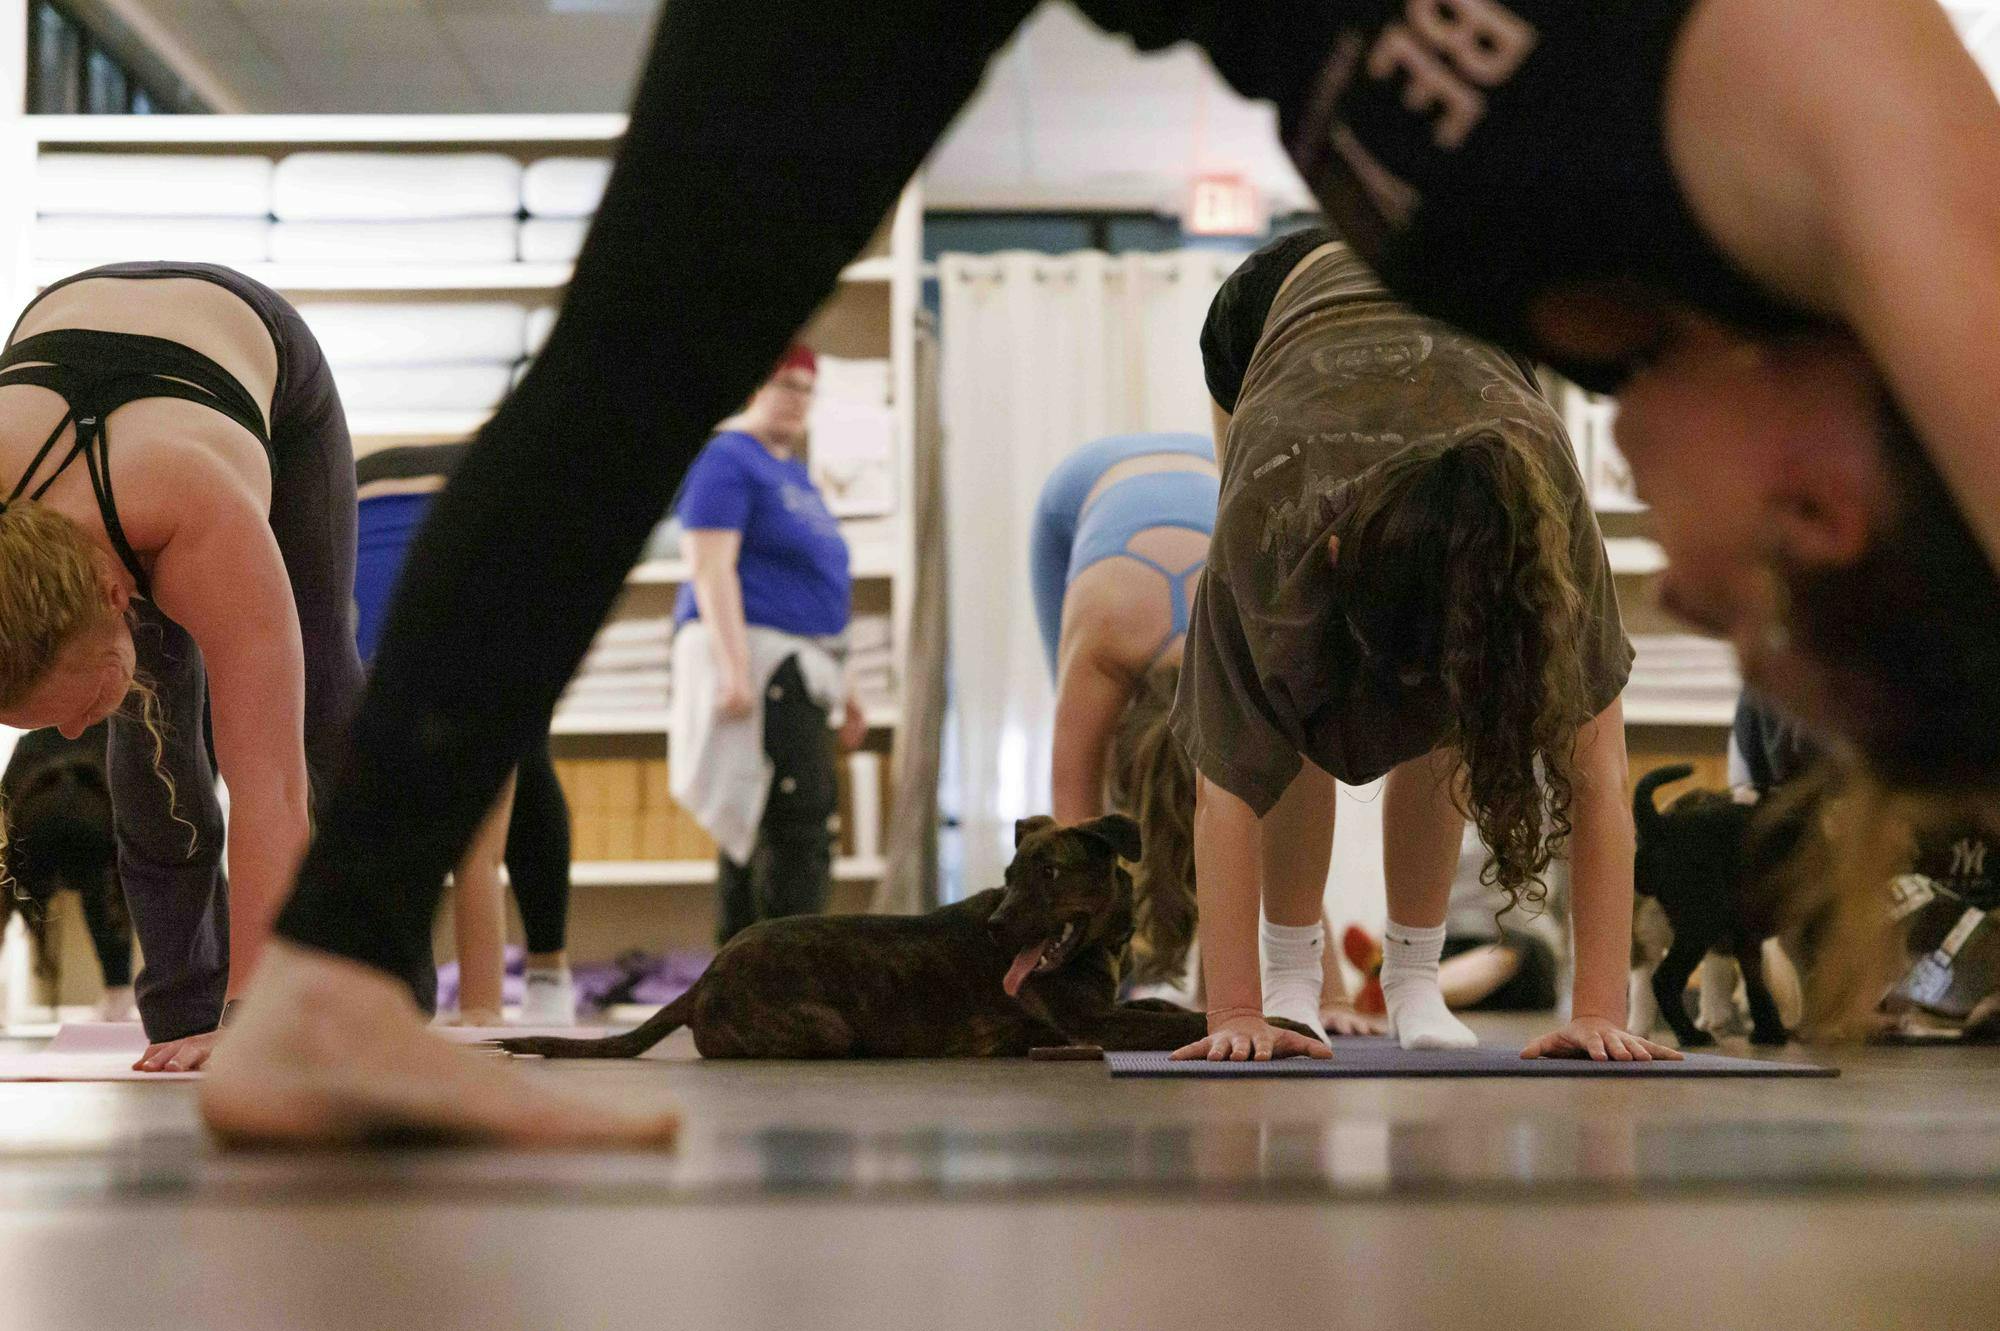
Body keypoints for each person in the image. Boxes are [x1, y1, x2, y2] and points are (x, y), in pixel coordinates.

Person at [202, 0, 2000, 1142]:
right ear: (1830, 507)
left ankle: (321, 986)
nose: (1681, 597)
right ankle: (335, 981)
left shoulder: (1670, 318)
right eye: (1751, 609)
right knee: (641, 364)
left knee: (634, 366)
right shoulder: (1875, 149)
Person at [1167, 232, 1673, 1063]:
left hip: (1463, 300)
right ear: (1332, 555)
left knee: (1459, 682)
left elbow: (1601, 770)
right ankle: (1294, 980)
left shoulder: (1539, 529)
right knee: (1286, 671)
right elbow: (1223, 779)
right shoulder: (1273, 516)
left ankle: (1413, 977)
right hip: (1272, 312)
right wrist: (1236, 1012)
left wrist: (1598, 1009)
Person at [0, 261, 435, 1075]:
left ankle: (383, 987)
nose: (67, 733)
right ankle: (178, 1014)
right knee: (154, 747)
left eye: (72, 698)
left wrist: (250, 1021)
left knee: (325, 711)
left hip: (249, 351)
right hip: (69, 335)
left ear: (110, 590)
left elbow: (271, 791)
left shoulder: (204, 517)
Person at [1031, 431, 1380, 1035]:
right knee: (1098, 839)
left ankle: (1204, 975)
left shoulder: (1246, 641)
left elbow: (1283, 832)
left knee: (1250, 810)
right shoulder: (1101, 646)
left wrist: (1332, 999)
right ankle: (1128, 967)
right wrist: (1078, 998)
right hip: (1079, 498)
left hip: (1210, 472)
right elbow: (1073, 839)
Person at [353, 441, 579, 1026]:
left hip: (485, 515)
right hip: (374, 515)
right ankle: (422, 1002)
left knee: (508, 780)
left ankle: (546, 971)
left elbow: (475, 863)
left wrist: (481, 1018)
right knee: (462, 848)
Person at [672, 345, 868, 944]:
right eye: (784, 382)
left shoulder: (793, 472)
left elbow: (819, 593)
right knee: (791, 824)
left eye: (807, 387)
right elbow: (710, 567)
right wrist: (734, 671)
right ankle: (781, 980)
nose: (796, 397)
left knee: (777, 825)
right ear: (755, 386)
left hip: (800, 663)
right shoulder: (727, 458)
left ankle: (753, 979)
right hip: (759, 661)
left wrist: (850, 690)